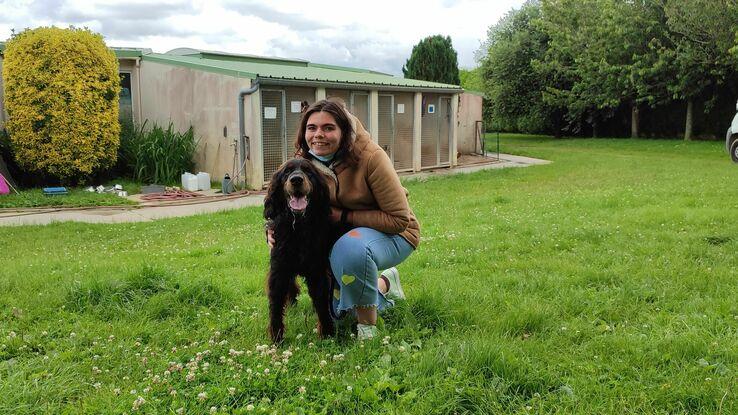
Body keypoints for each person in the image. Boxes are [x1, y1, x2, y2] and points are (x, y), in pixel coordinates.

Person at [266, 99, 420, 340]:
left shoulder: (371, 157)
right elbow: (279, 199)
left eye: (329, 128)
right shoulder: (307, 161)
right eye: (312, 128)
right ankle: (385, 283)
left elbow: (399, 219)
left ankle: (367, 329)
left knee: (350, 250)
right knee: (339, 312)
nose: (319, 135)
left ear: (344, 131)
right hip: (342, 235)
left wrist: (344, 216)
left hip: (394, 234)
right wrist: (271, 229)